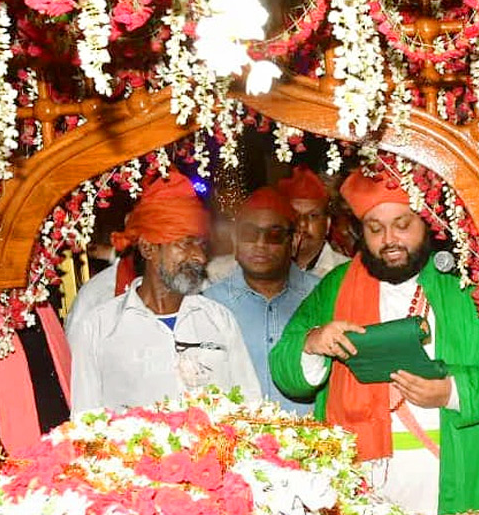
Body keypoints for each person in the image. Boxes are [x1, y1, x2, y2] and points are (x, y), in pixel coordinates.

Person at [269, 168, 479, 515]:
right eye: (375, 229)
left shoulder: (464, 285)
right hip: (363, 487)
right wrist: (313, 343)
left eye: (402, 225)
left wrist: (452, 391)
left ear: (426, 224)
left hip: (455, 470)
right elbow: (285, 370)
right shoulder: (335, 287)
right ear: (359, 232)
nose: (389, 240)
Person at [70, 170, 261, 414]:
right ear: (148, 248)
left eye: (201, 245)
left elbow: (251, 411)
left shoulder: (219, 321)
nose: (200, 257)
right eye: (185, 243)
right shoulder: (99, 329)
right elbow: (84, 424)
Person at [203, 187, 319, 415]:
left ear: (294, 241)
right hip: (234, 443)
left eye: (274, 235)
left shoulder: (322, 296)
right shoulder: (209, 305)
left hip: (316, 442)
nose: (260, 244)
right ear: (235, 241)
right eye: (248, 233)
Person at [277, 166, 350, 277]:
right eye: (293, 214)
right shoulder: (258, 269)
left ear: (327, 224)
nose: (302, 223)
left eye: (312, 216)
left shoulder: (347, 273)